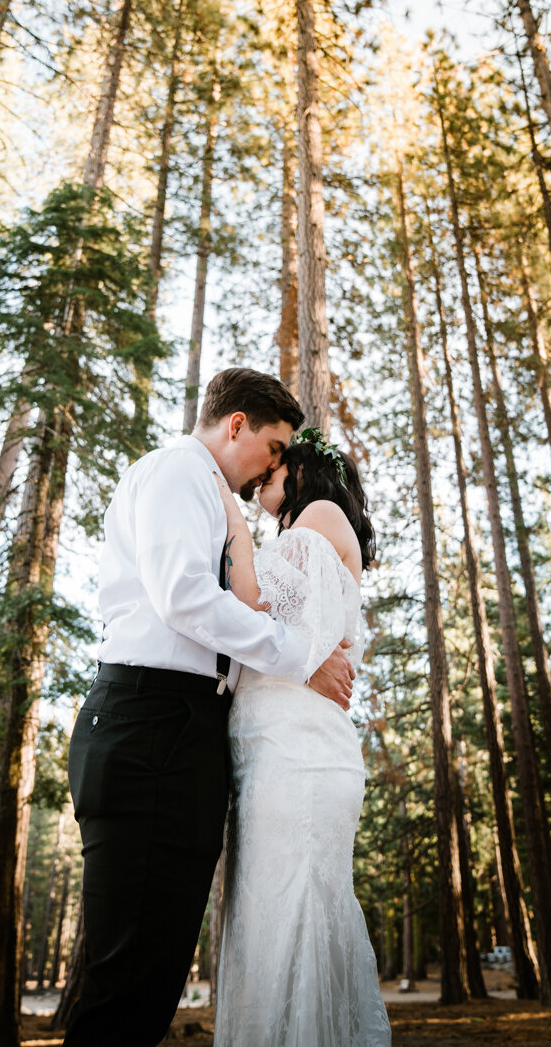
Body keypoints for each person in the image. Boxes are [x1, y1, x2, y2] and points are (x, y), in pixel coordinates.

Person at [64, 369, 356, 1047]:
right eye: (277, 448)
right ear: (236, 426)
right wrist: (299, 655)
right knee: (125, 982)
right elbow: (184, 599)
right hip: (148, 723)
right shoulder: (178, 473)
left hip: (184, 729)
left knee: (154, 981)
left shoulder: (211, 496)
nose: (273, 469)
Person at [212, 427, 391, 1047]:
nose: (263, 476)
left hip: (301, 760)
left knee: (291, 921)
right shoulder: (299, 533)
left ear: (305, 471)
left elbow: (257, 602)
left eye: (274, 467)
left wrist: (232, 520)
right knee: (269, 924)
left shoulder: (318, 514)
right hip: (275, 753)